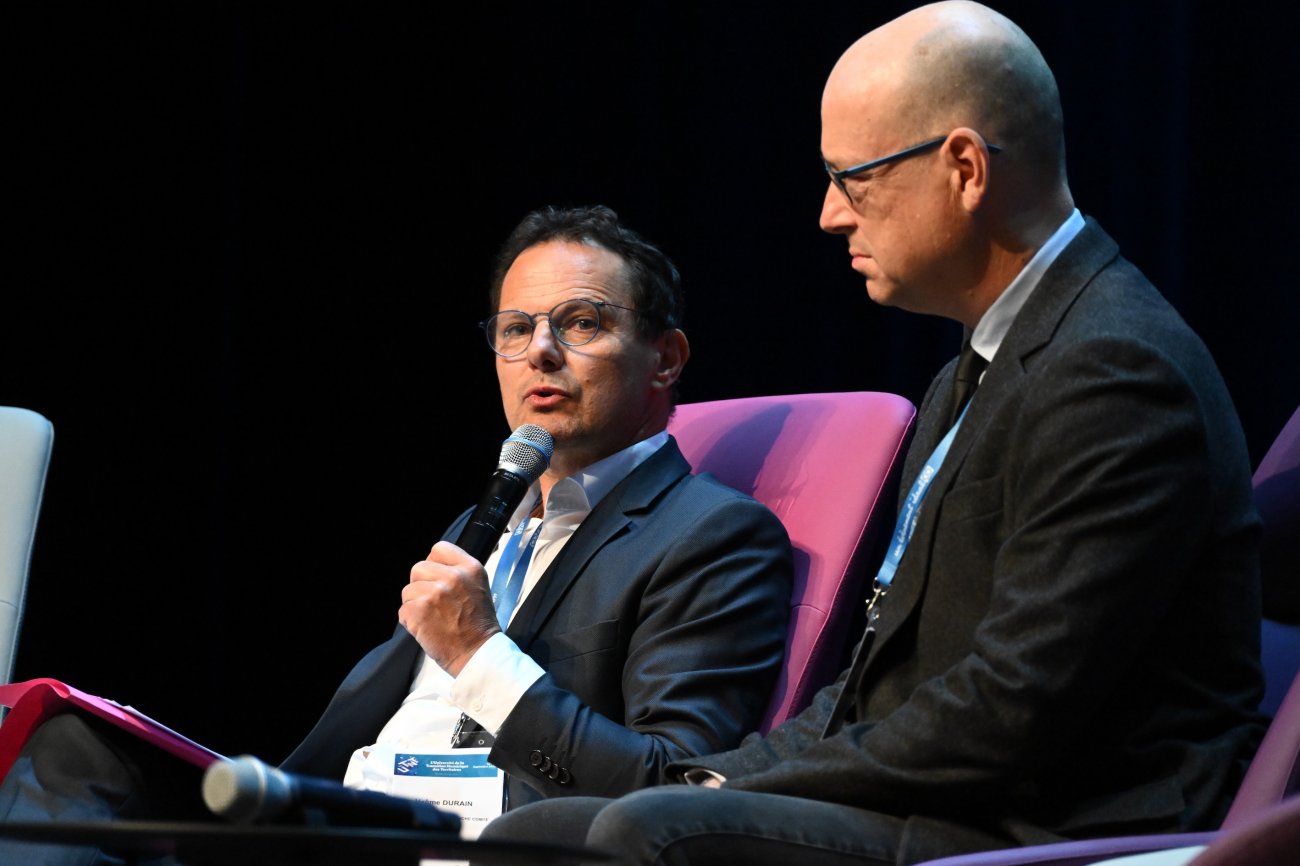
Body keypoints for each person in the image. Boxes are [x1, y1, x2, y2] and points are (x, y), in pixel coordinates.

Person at [478, 3, 1267, 863]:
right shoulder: (973, 373)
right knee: (538, 833)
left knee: (648, 829)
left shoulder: (1114, 370)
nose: (829, 215)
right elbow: (871, 691)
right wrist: (714, 777)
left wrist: (719, 794)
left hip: (1060, 822)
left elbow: (1008, 710)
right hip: (958, 800)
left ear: (965, 168)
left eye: (852, 179)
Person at [0, 205, 793, 859]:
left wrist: (478, 654)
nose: (540, 352)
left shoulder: (714, 534)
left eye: (581, 322)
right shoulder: (485, 521)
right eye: (516, 329)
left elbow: (668, 788)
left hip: (477, 840)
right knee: (71, 746)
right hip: (338, 817)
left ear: (665, 358)